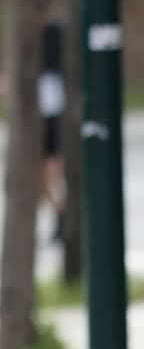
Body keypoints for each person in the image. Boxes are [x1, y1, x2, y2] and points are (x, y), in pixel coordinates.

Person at [38, 13, 67, 238]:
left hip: (51, 119)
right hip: (47, 118)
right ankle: (59, 215)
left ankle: (61, 216)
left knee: (50, 173)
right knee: (46, 178)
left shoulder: (52, 35)